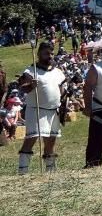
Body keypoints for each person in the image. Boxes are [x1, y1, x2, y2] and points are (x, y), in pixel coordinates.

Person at [17, 42, 65, 174]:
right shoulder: (30, 70)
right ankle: (23, 170)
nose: (49, 56)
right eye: (46, 53)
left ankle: (50, 170)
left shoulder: (57, 71)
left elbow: (61, 90)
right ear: (39, 54)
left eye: (51, 53)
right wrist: (31, 85)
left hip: (53, 111)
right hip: (36, 110)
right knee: (31, 138)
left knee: (51, 141)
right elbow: (23, 88)